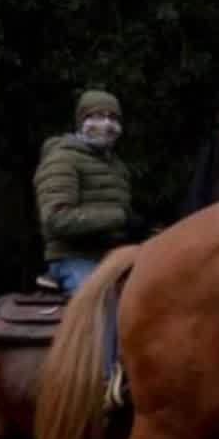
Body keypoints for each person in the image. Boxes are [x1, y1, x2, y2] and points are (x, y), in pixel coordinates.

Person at [34, 90, 145, 294]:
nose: (106, 124)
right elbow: (56, 219)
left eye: (113, 117)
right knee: (103, 310)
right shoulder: (61, 159)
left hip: (113, 258)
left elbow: (119, 221)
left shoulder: (118, 167)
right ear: (81, 121)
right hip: (73, 258)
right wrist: (121, 218)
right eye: (97, 116)